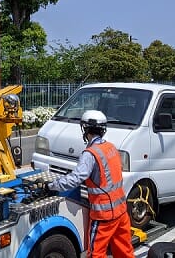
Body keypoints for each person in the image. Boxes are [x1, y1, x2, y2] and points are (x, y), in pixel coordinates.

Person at [47, 110, 134, 258]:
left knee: (96, 254)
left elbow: (76, 178)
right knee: (125, 251)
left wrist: (51, 185)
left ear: (86, 130)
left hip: (103, 215)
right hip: (121, 211)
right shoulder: (111, 147)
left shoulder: (90, 154)